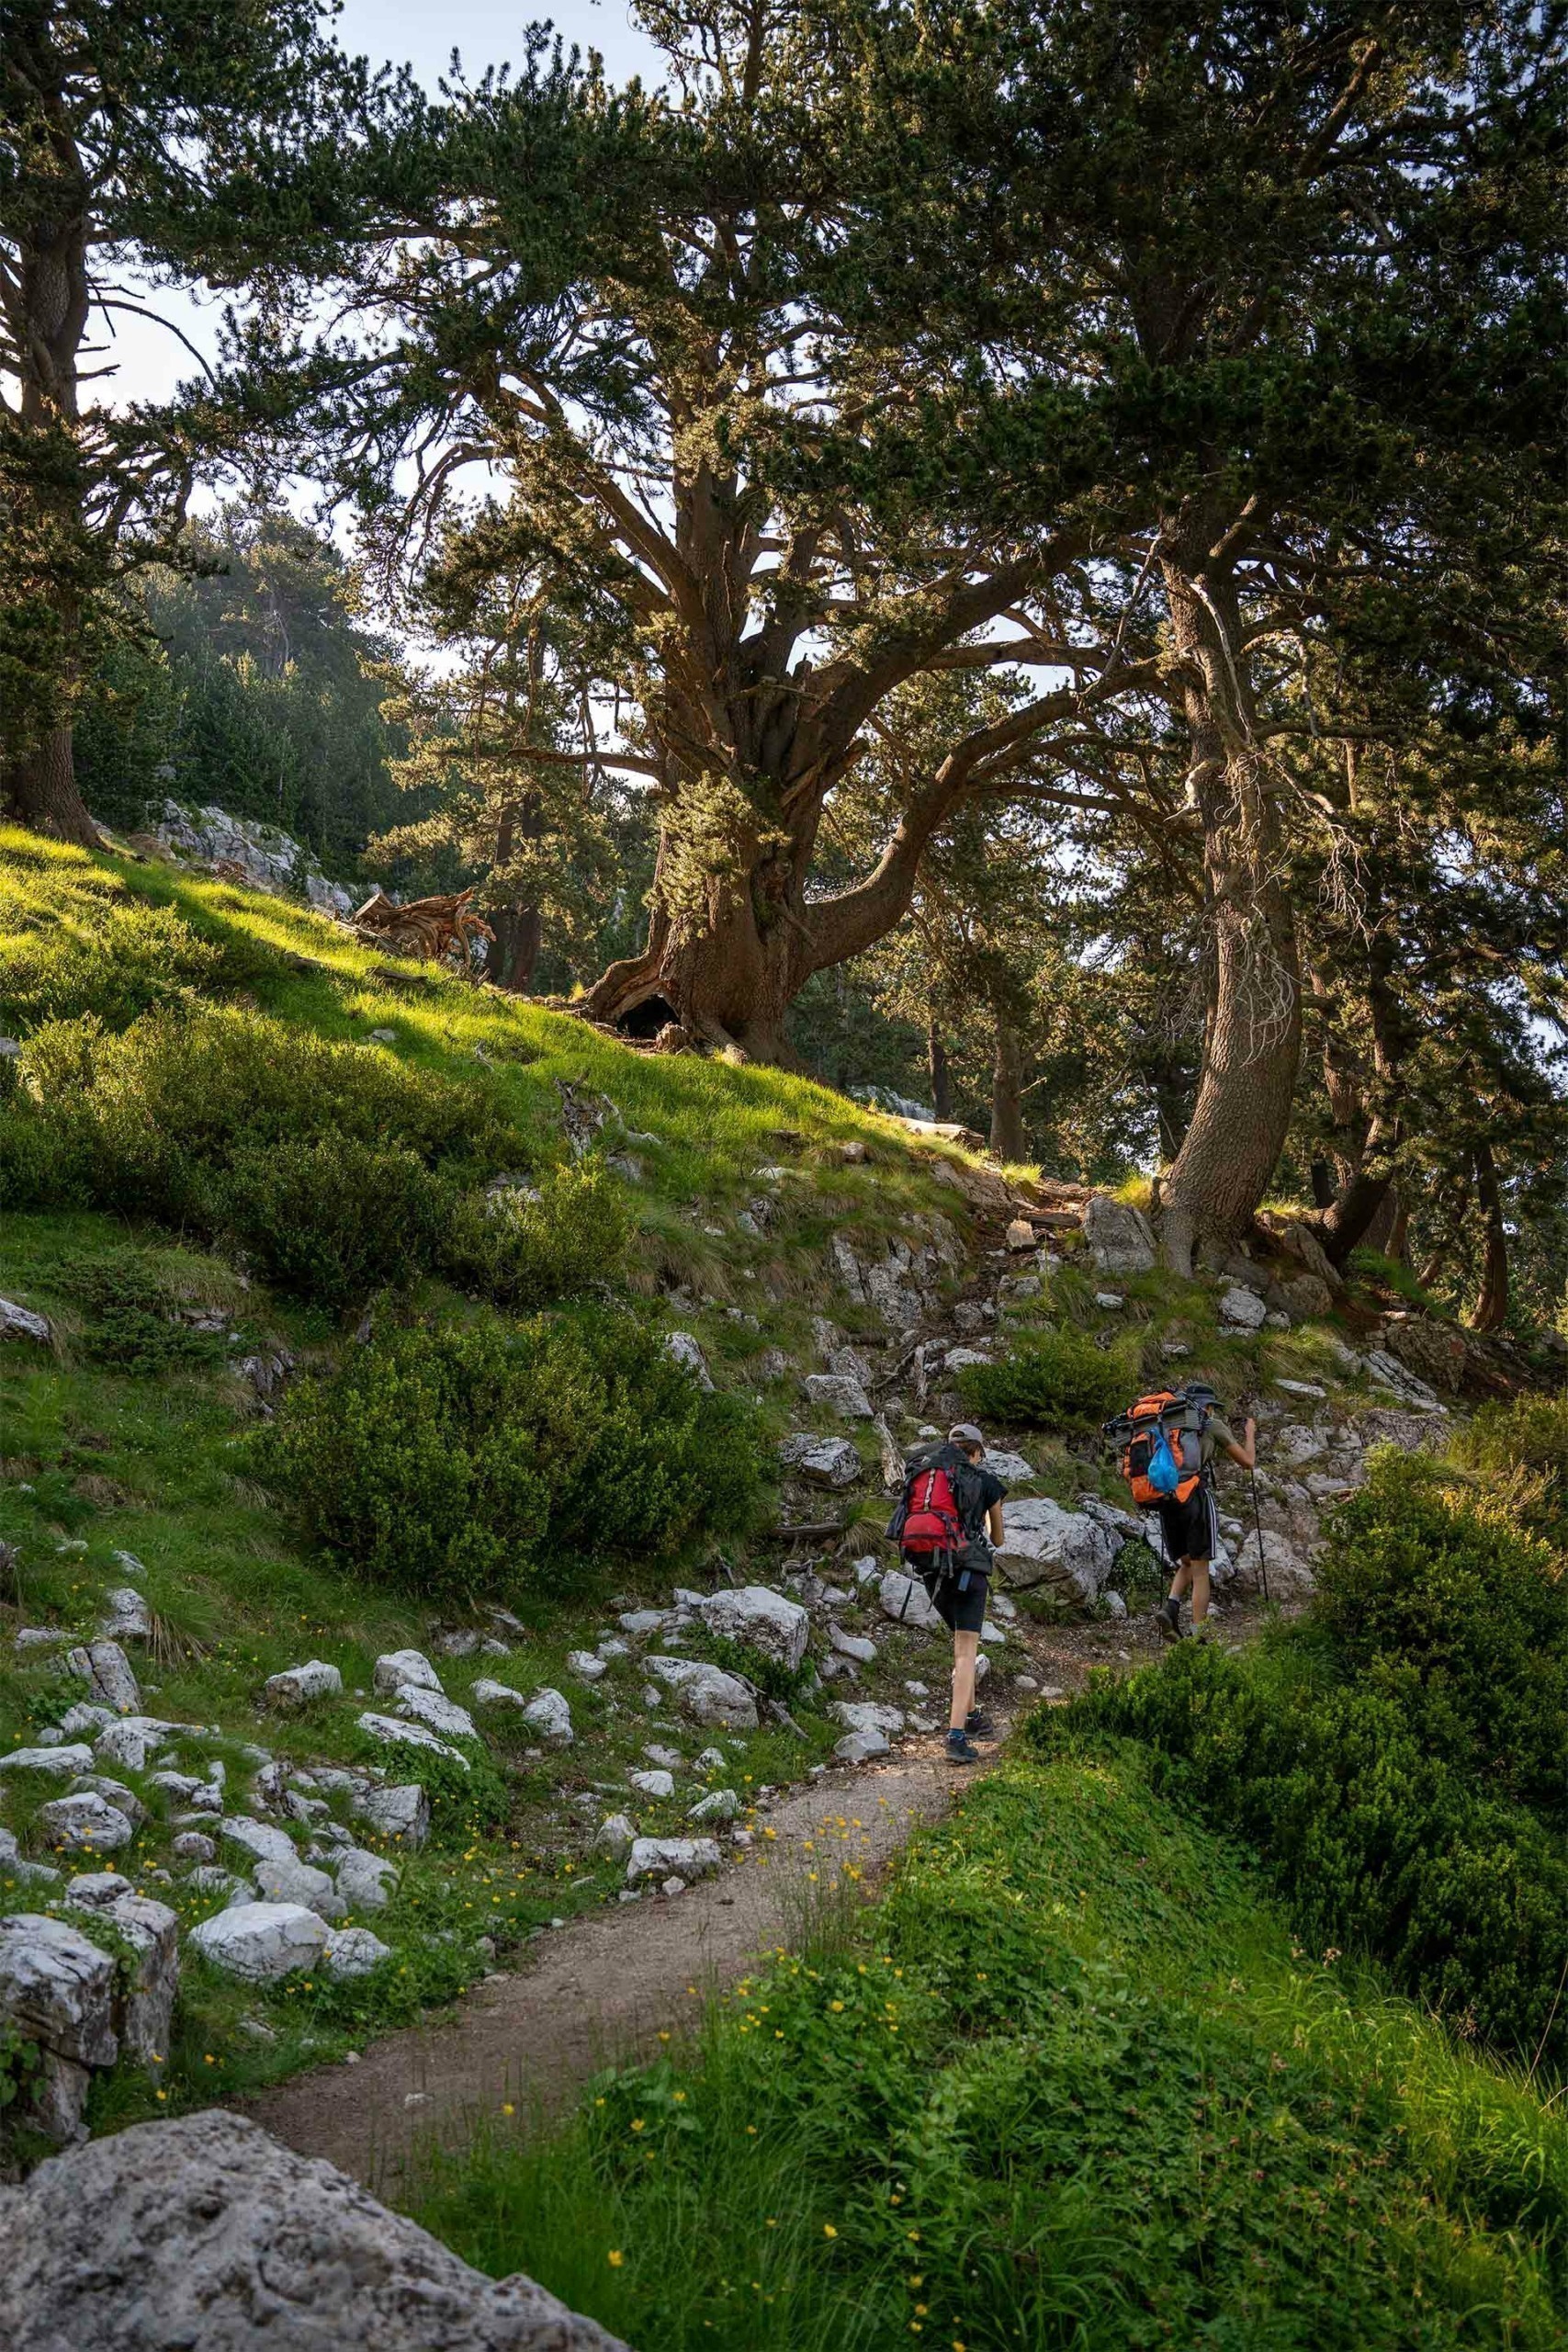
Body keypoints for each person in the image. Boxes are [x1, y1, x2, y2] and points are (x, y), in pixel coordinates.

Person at [895, 1421, 1007, 1765]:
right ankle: (956, 1737)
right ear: (976, 1451)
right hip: (969, 1575)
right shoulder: (984, 1481)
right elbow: (998, 1539)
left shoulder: (926, 1472)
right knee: (965, 1654)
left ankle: (972, 1717)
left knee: (958, 1645)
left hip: (932, 1572)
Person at [1154, 1401, 1257, 1642]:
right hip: (1195, 1498)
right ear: (1207, 1406)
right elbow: (1248, 1462)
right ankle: (1199, 1635)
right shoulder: (1211, 1424)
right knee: (1201, 1569)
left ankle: (1171, 1606)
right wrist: (1250, 1433)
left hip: (1167, 1499)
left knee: (1186, 1562)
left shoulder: (1166, 1425)